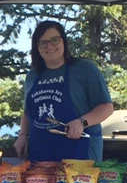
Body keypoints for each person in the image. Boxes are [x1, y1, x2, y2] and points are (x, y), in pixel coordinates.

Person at [14, 20, 114, 162]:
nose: (49, 46)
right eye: (43, 42)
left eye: (54, 40)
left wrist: (82, 122)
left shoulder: (84, 69)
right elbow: (27, 112)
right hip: (41, 154)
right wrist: (23, 135)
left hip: (80, 152)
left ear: (64, 42)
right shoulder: (32, 75)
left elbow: (106, 107)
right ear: (36, 47)